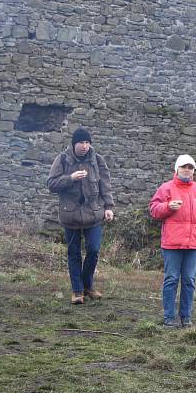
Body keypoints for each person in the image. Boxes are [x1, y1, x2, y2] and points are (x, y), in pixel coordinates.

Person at [47, 128, 114, 305]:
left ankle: (87, 286)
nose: (84, 146)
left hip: (94, 214)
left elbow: (105, 185)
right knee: (74, 253)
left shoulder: (97, 160)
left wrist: (108, 207)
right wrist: (70, 178)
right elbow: (51, 184)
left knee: (93, 250)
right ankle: (77, 291)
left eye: (87, 142)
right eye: (81, 143)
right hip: (71, 216)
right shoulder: (62, 159)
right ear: (74, 144)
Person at [149, 155, 196, 328]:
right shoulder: (166, 188)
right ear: (176, 169)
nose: (187, 170)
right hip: (172, 243)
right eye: (184, 167)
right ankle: (169, 318)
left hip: (193, 243)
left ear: (193, 170)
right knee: (171, 279)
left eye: (190, 167)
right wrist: (167, 207)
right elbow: (154, 210)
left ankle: (186, 318)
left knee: (189, 280)